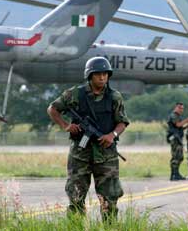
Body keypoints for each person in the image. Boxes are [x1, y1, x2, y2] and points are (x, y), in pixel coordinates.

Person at [47, 56, 129, 222]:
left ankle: (110, 227)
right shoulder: (74, 94)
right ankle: (76, 226)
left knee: (109, 200)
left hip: (106, 156)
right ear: (90, 75)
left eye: (105, 74)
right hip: (80, 155)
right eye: (98, 74)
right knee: (76, 198)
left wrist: (111, 136)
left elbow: (122, 122)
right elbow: (53, 109)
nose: (102, 77)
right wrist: (66, 126)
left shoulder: (115, 97)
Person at [167, 102, 188, 181]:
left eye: (182, 108)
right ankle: (173, 174)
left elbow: (180, 127)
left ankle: (176, 173)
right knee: (175, 157)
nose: (181, 110)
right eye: (180, 108)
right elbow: (178, 125)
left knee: (180, 157)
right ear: (176, 108)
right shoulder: (173, 115)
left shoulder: (178, 116)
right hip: (174, 138)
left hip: (178, 138)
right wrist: (187, 120)